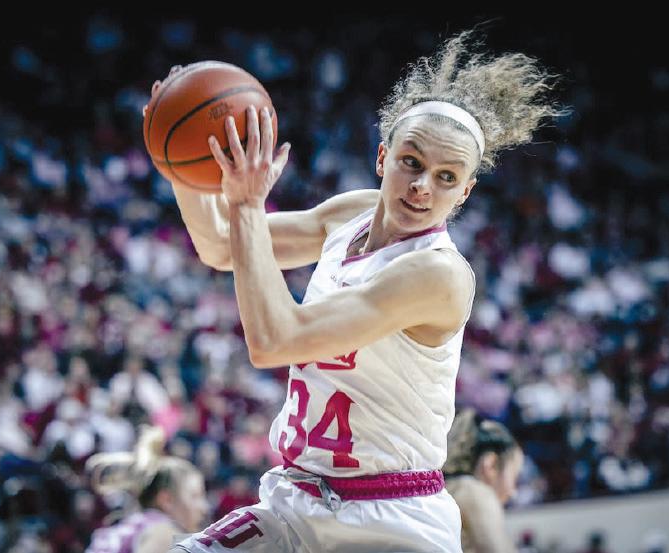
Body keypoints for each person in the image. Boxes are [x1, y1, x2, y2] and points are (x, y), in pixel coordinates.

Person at [163, 27, 567, 553]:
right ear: (382, 158)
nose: (422, 186)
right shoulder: (350, 214)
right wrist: (177, 159)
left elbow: (274, 340)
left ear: (465, 192)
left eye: (446, 177)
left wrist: (245, 204)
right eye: (412, 162)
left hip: (390, 521)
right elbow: (222, 245)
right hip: (297, 499)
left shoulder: (438, 275)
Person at [85, 426, 210, 553]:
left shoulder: (128, 524)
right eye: (195, 496)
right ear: (166, 500)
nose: (204, 507)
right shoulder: (164, 532)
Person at [443, 408, 524, 553]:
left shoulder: (446, 490)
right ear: (491, 465)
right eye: (514, 477)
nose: (513, 492)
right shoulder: (474, 492)